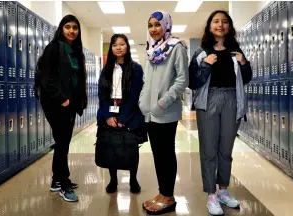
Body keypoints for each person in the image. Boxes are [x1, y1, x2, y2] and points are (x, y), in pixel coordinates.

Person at [188, 10, 252, 215]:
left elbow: (247, 78)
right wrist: (206, 66)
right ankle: (210, 194)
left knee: (226, 149)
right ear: (209, 26)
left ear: (229, 26)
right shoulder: (201, 52)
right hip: (209, 100)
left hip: (232, 99)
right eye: (215, 21)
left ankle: (223, 190)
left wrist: (243, 63)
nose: (220, 25)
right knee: (209, 150)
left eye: (224, 21)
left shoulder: (236, 51)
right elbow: (193, 82)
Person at [139, 10, 189, 215]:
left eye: (157, 24)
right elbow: (146, 82)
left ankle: (168, 196)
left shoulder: (177, 47)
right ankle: (163, 192)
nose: (154, 29)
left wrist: (162, 103)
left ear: (166, 25)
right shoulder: (151, 49)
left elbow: (182, 80)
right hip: (150, 113)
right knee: (158, 154)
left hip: (165, 111)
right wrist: (144, 103)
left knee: (166, 153)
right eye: (150, 25)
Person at [34, 15, 88, 202]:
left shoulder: (75, 50)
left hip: (70, 103)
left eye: (75, 27)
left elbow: (77, 79)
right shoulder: (55, 47)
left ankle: (57, 180)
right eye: (68, 27)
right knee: (62, 144)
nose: (72, 31)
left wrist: (77, 100)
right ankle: (63, 184)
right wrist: (62, 99)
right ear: (61, 29)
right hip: (56, 103)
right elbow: (45, 78)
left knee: (62, 143)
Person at [97, 34, 144, 194]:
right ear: (111, 48)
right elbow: (102, 95)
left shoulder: (136, 68)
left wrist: (124, 118)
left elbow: (134, 96)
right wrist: (107, 116)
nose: (118, 47)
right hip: (109, 111)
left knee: (130, 148)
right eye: (115, 44)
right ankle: (113, 180)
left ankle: (133, 179)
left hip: (129, 113)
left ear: (127, 47)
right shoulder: (106, 69)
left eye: (122, 44)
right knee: (111, 147)